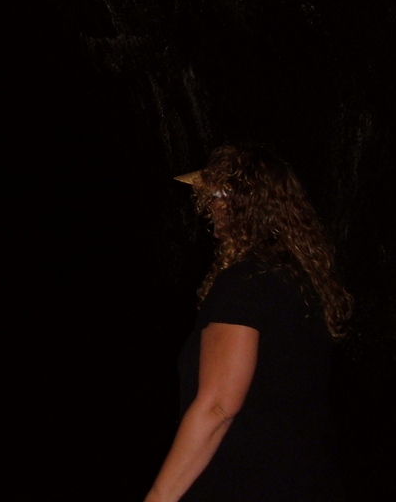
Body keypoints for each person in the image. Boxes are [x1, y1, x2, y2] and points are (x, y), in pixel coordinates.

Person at [145, 144, 353, 502]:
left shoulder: (245, 283)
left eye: (217, 197)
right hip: (305, 479)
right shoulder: (301, 281)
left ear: (239, 203)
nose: (210, 207)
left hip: (247, 483)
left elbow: (218, 407)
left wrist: (160, 496)